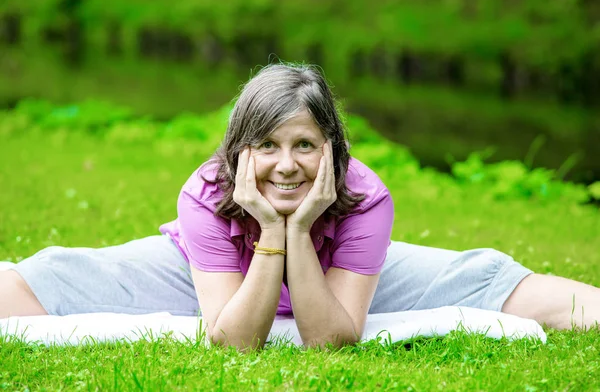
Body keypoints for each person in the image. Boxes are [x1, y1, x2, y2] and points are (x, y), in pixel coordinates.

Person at [1, 63, 598, 350]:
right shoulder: (206, 193)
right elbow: (233, 342)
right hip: (207, 275)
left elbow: (330, 341)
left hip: (345, 274)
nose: (286, 165)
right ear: (241, 151)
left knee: (487, 276)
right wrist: (268, 225)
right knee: (49, 275)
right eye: (267, 145)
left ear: (332, 150)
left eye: (305, 145)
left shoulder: (364, 196)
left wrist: (305, 223)